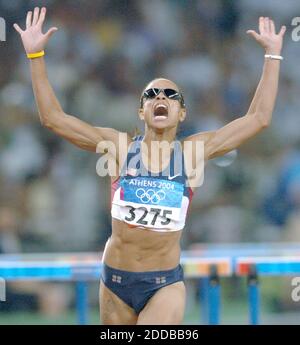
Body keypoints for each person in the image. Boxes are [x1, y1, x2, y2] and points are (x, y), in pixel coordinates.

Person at [14, 7, 286, 324]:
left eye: (170, 95)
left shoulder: (192, 152)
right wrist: (35, 56)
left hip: (163, 284)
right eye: (151, 94)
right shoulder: (117, 147)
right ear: (141, 111)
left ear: (181, 112)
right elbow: (53, 119)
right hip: (114, 283)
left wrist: (273, 57)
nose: (161, 98)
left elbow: (258, 119)